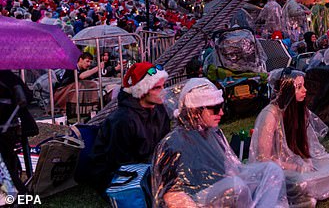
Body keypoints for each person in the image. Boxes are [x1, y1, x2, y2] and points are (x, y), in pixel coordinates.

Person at [153, 78, 288, 208]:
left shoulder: (213, 133)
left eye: (221, 106)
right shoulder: (174, 142)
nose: (222, 113)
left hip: (222, 189)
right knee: (236, 187)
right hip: (198, 200)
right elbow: (171, 194)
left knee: (272, 170)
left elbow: (231, 168)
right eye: (215, 108)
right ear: (195, 111)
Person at [250, 70, 329, 205]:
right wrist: (294, 167)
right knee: (302, 182)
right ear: (286, 91)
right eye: (299, 87)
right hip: (277, 170)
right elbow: (263, 159)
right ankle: (318, 190)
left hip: (297, 163)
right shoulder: (270, 115)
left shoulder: (299, 109)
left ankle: (323, 187)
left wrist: (307, 161)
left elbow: (307, 145)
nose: (305, 90)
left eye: (303, 85)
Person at [86, 62, 170, 193]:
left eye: (163, 86)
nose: (163, 91)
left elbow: (164, 144)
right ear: (142, 91)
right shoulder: (122, 119)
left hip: (146, 166)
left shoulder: (159, 110)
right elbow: (119, 161)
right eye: (156, 88)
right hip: (115, 174)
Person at [0, 71, 38, 194]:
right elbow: (28, 96)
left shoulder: (8, 77)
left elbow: (26, 97)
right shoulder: (9, 76)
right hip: (10, 130)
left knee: (5, 166)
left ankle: (19, 195)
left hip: (8, 130)